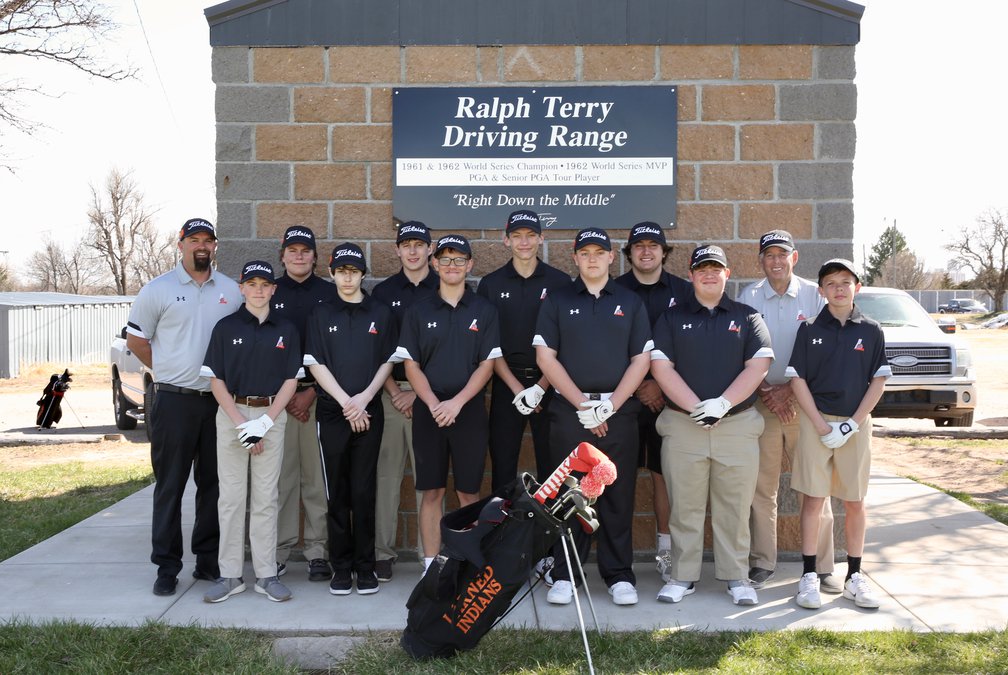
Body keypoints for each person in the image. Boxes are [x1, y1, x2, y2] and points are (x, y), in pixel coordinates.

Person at [650, 244, 773, 606]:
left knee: (734, 507)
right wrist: (696, 408)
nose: (708, 274)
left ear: (727, 274)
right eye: (701, 268)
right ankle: (682, 577)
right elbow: (661, 367)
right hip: (682, 424)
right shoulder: (671, 318)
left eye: (715, 268)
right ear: (690, 275)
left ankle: (736, 577)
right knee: (684, 505)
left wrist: (722, 404)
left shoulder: (748, 316)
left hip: (736, 425)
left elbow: (758, 366)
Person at [535, 227, 652, 607]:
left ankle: (618, 575)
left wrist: (611, 406)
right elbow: (545, 358)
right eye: (584, 253)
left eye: (598, 252)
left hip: (619, 413)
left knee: (617, 495)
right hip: (570, 412)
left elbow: (641, 359)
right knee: (569, 495)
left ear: (611, 256)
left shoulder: (630, 302)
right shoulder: (557, 299)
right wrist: (584, 407)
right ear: (575, 258)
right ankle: (565, 573)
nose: (591, 259)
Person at [126, 218, 242, 596]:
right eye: (194, 240)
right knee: (170, 485)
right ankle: (167, 566)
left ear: (215, 247)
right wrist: (169, 367)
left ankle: (207, 560)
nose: (201, 246)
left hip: (218, 404)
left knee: (212, 484)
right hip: (173, 400)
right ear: (181, 245)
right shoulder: (158, 289)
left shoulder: (231, 290)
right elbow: (136, 339)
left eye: (208, 240)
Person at [736, 230, 841, 594]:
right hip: (762, 403)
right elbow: (741, 351)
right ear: (761, 260)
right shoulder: (747, 296)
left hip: (804, 404)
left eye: (783, 255)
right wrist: (766, 389)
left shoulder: (815, 295)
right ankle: (763, 562)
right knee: (761, 487)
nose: (776, 261)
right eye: (769, 255)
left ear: (794, 258)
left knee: (816, 488)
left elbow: (826, 350)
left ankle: (824, 567)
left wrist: (790, 392)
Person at [394, 233, 502, 575]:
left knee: (469, 492)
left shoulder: (484, 310)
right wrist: (433, 403)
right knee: (432, 491)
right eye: (445, 259)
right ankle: (431, 566)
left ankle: (468, 562)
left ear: (469, 265)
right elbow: (411, 364)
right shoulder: (418, 310)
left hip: (467, 410)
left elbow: (487, 364)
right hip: (429, 412)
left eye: (459, 260)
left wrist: (456, 403)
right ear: (434, 264)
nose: (451, 266)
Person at [787, 258, 890, 610]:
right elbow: (797, 378)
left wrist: (853, 423)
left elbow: (878, 380)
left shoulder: (872, 329)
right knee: (814, 500)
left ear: (857, 287)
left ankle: (855, 576)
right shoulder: (810, 327)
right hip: (816, 422)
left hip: (855, 424)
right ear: (821, 291)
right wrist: (819, 424)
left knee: (855, 501)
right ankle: (809, 576)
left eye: (846, 281)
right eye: (831, 283)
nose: (839, 288)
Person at [200, 260, 301, 603]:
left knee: (265, 498)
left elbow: (291, 380)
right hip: (232, 415)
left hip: (271, 414)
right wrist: (243, 424)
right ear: (241, 288)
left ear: (274, 289)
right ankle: (230, 575)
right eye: (252, 284)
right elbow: (216, 380)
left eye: (265, 284)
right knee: (230, 498)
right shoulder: (225, 327)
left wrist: (265, 423)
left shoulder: (285, 328)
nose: (258, 290)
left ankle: (266, 574)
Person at [303, 243, 397, 596]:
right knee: (337, 492)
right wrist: (346, 403)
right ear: (331, 273)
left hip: (369, 409)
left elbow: (388, 360)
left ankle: (365, 567)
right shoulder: (321, 313)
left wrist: (364, 400)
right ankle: (341, 568)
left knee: (364, 489)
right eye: (341, 271)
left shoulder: (381, 312)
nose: (347, 277)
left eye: (353, 271)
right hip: (333, 411)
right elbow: (314, 362)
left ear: (362, 274)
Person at [614, 221, 692, 580]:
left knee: (665, 477)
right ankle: (617, 559)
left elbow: (692, 349)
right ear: (629, 253)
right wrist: (636, 386)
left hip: (668, 401)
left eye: (653, 245)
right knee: (618, 479)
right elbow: (604, 350)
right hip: (623, 403)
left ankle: (666, 550)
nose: (646, 251)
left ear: (664, 252)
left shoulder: (684, 292)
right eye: (639, 245)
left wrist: (659, 386)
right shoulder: (613, 290)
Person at [476, 209, 571, 491]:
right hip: (507, 385)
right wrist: (519, 390)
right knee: (503, 469)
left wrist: (541, 387)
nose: (524, 242)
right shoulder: (491, 285)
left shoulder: (560, 283)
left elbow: (565, 342)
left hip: (551, 385)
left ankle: (550, 536)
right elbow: (489, 347)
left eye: (530, 235)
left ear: (542, 238)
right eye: (517, 236)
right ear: (506, 241)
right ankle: (502, 535)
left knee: (552, 471)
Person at [371, 221, 439, 581]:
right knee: (387, 477)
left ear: (430, 249)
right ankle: (383, 553)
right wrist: (397, 392)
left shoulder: (444, 287)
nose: (413, 251)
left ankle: (431, 555)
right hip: (390, 395)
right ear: (397, 250)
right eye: (406, 245)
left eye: (419, 245)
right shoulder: (383, 293)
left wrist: (419, 393)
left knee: (431, 481)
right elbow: (376, 350)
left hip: (432, 399)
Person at [270, 225, 332, 582]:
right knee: (282, 480)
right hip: (278, 401)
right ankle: (278, 551)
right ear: (282, 254)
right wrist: (286, 396)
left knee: (315, 480)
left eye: (305, 250)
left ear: (314, 255)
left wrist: (312, 393)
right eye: (292, 249)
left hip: (317, 398)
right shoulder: (269, 292)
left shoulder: (328, 293)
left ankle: (317, 552)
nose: (298, 255)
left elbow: (337, 351)